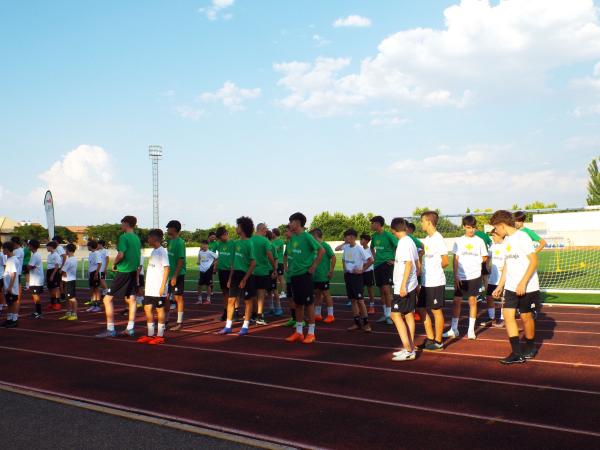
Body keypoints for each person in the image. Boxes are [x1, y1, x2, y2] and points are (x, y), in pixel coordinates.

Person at [490, 210, 540, 364]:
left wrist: (523, 282)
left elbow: (534, 261)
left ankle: (530, 347)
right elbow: (507, 265)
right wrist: (500, 285)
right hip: (511, 287)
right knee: (508, 316)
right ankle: (516, 353)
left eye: (496, 228)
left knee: (526, 317)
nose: (496, 231)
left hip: (528, 287)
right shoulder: (506, 242)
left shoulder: (522, 237)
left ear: (502, 225)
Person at [95, 216, 141, 338]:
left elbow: (121, 254)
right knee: (132, 300)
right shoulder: (136, 238)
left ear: (126, 223)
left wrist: (114, 264)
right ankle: (130, 328)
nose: (121, 226)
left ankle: (110, 329)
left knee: (107, 299)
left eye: (122, 224)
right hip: (132, 271)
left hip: (124, 271)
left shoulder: (124, 237)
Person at [444, 215, 488, 340]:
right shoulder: (459, 241)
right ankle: (454, 329)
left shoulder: (479, 241)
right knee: (456, 301)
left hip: (474, 276)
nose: (471, 230)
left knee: (472, 301)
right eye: (468, 227)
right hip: (461, 277)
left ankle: (471, 330)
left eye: (473, 227)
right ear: (464, 227)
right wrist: (456, 275)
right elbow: (456, 259)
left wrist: (477, 264)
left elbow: (485, 257)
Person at [285, 212, 324, 344]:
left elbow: (321, 250)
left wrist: (313, 266)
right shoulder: (293, 238)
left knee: (309, 304)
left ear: (297, 222)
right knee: (298, 304)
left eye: (291, 222)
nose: (289, 224)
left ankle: (311, 333)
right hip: (294, 275)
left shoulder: (307, 237)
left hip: (304, 275)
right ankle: (299, 332)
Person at [218, 217, 256, 336]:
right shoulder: (236, 243)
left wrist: (245, 279)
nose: (236, 228)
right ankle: (228, 326)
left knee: (247, 301)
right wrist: (230, 278)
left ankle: (245, 326)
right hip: (235, 275)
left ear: (243, 228)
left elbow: (253, 263)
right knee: (231, 300)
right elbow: (234, 262)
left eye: (238, 226)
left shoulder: (250, 243)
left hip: (246, 275)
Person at [416, 211, 448, 352]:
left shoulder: (438, 239)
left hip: (435, 281)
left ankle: (438, 342)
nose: (421, 224)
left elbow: (445, 261)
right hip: (426, 282)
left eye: (422, 221)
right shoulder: (427, 239)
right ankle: (430, 338)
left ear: (429, 222)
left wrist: (433, 269)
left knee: (436, 311)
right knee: (421, 308)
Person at [389, 218, 419, 361]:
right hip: (410, 284)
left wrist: (402, 286)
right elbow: (415, 262)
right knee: (408, 315)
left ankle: (408, 349)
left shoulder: (403, 243)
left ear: (393, 230)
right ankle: (409, 347)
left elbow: (408, 264)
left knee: (395, 315)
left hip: (404, 285)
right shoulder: (410, 241)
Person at [137, 229, 170, 345]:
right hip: (150, 288)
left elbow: (167, 269)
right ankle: (150, 334)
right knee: (147, 309)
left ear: (155, 238)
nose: (148, 239)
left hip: (158, 288)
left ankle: (160, 335)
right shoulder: (153, 252)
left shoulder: (162, 252)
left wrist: (162, 287)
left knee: (159, 310)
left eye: (149, 237)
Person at [340, 229, 373, 332]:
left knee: (360, 300)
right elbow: (344, 259)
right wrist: (345, 269)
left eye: (346, 237)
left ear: (352, 237)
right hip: (348, 276)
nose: (345, 239)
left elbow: (371, 260)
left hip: (357, 277)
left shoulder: (359, 249)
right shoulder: (346, 248)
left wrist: (362, 270)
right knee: (353, 300)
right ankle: (357, 323)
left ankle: (367, 324)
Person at [370, 216, 397, 325]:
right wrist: (375, 257)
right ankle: (385, 314)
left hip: (387, 265)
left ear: (378, 224)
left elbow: (398, 246)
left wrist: (394, 259)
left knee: (387, 290)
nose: (371, 225)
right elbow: (371, 247)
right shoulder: (374, 236)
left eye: (372, 223)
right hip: (377, 265)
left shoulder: (388, 235)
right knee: (381, 291)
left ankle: (390, 315)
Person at [251, 223, 278, 325]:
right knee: (261, 294)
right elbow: (270, 255)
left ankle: (253, 314)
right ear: (261, 229)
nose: (266, 231)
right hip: (262, 271)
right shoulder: (265, 241)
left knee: (253, 295)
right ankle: (259, 316)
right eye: (265, 229)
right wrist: (275, 268)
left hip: (252, 271)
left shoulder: (250, 240)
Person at [481, 229, 506, 328]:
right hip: (493, 276)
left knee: (503, 298)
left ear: (500, 235)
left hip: (503, 277)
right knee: (489, 296)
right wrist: (487, 266)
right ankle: (491, 317)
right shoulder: (493, 245)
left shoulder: (507, 245)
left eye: (494, 235)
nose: (492, 237)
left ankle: (503, 318)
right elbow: (488, 257)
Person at [311, 228, 336, 323]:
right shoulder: (314, 246)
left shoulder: (325, 245)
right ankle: (318, 314)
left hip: (323, 275)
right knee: (317, 294)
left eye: (311, 236)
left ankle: (331, 315)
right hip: (315, 275)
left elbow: (333, 257)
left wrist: (331, 270)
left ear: (315, 236)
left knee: (326, 294)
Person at [165, 220, 187, 331]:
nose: (167, 229)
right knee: (167, 298)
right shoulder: (170, 241)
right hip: (169, 275)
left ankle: (179, 323)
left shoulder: (180, 242)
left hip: (178, 275)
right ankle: (166, 320)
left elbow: (180, 260)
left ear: (174, 229)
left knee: (178, 298)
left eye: (169, 227)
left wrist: (174, 276)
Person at [214, 226, 235, 321]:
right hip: (221, 271)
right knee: (224, 292)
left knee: (233, 293)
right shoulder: (219, 244)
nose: (220, 239)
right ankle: (226, 312)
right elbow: (218, 256)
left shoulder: (233, 243)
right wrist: (215, 266)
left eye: (221, 237)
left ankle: (235, 311)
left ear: (225, 234)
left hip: (230, 271)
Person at [1, 242, 19, 328]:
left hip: (11, 287)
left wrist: (10, 287)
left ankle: (14, 320)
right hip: (7, 285)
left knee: (13, 302)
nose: (2, 250)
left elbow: (13, 274)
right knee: (9, 303)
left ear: (7, 249)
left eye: (3, 249)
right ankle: (9, 319)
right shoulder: (9, 259)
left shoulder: (13, 260)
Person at [59, 244, 79, 321]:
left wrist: (61, 271)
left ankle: (74, 314)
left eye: (66, 249)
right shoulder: (72, 258)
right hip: (67, 280)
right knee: (68, 298)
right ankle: (68, 313)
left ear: (68, 250)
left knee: (72, 298)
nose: (65, 251)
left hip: (69, 281)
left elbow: (62, 271)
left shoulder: (69, 260)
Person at [266, 229, 283, 316]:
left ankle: (279, 308)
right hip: (265, 271)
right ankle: (271, 308)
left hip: (271, 270)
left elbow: (276, 259)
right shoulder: (264, 245)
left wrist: (275, 270)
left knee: (274, 290)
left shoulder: (272, 246)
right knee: (269, 291)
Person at [27, 239, 45, 319]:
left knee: (36, 296)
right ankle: (37, 311)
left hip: (36, 280)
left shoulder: (35, 255)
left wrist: (28, 266)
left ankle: (38, 312)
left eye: (29, 245)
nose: (28, 246)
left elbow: (29, 266)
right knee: (35, 295)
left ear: (32, 246)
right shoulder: (35, 254)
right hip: (36, 278)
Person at [196, 239, 218, 305]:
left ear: (208, 245)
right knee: (199, 285)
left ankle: (208, 299)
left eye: (205, 244)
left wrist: (212, 265)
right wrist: (199, 263)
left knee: (208, 285)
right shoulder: (200, 252)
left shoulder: (210, 252)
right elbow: (199, 259)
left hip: (208, 271)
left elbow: (217, 258)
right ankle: (200, 299)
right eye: (203, 244)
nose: (204, 246)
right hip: (202, 271)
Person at [359, 234, 376, 314]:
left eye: (361, 239)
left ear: (366, 241)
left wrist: (364, 268)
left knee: (370, 290)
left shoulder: (370, 250)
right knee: (360, 289)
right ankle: (361, 306)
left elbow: (372, 260)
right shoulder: (360, 249)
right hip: (361, 272)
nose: (360, 241)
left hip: (368, 272)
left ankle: (372, 306)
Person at [45, 241, 62, 311]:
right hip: (49, 271)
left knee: (54, 289)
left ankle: (57, 303)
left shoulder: (56, 255)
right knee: (50, 288)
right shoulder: (49, 255)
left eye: (47, 247)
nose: (47, 248)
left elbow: (57, 266)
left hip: (54, 272)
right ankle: (52, 303)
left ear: (51, 247)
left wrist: (52, 275)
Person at [86, 240, 102, 313]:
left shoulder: (97, 253)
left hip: (95, 273)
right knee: (92, 290)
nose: (87, 247)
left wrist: (96, 274)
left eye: (88, 246)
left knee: (96, 290)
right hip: (91, 273)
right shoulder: (91, 254)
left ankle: (97, 306)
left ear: (91, 246)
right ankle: (93, 305)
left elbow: (99, 264)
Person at [271, 228, 286, 299]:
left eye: (272, 232)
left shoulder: (280, 241)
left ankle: (283, 292)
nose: (271, 233)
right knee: (274, 278)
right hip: (273, 262)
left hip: (279, 262)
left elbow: (275, 249)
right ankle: (274, 292)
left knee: (281, 278)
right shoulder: (272, 241)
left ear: (275, 233)